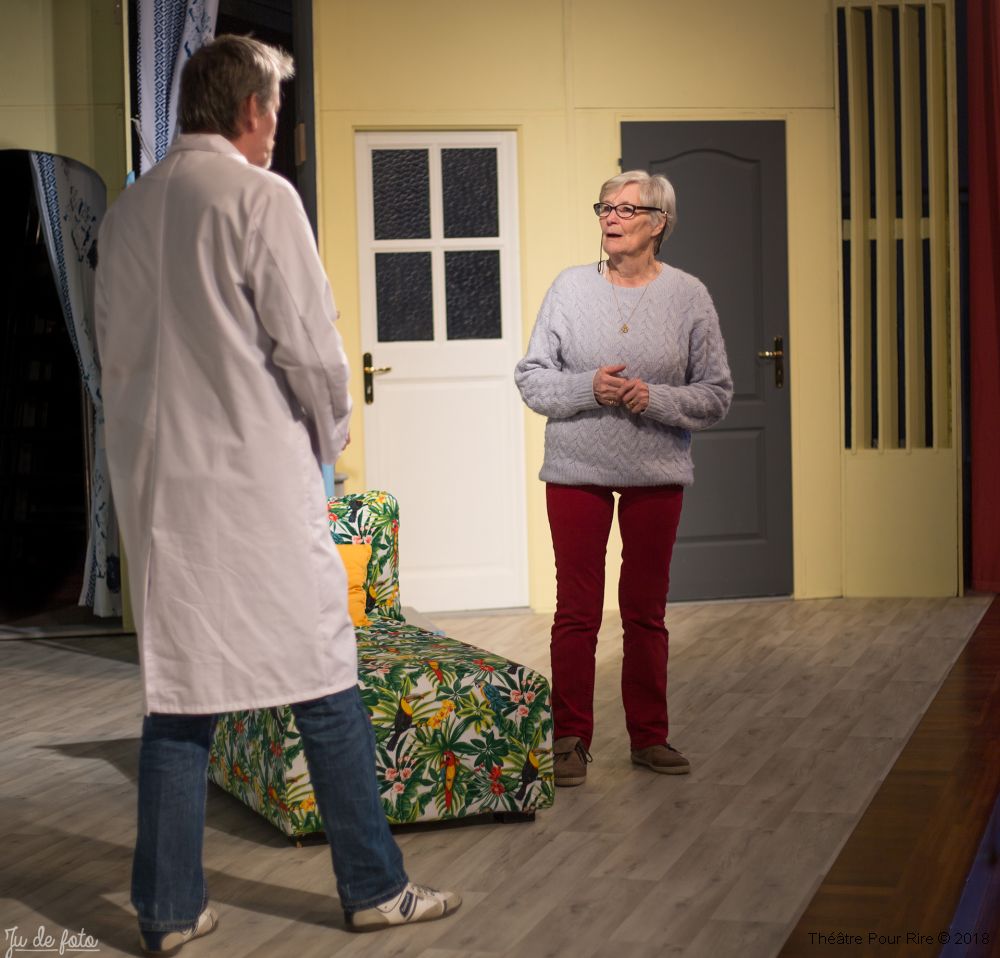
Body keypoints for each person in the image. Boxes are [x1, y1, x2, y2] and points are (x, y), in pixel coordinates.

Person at [94, 35, 460, 954]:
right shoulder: (260, 197)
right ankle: (374, 887)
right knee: (324, 681)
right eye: (275, 109)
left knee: (180, 698)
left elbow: (114, 359)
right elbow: (310, 346)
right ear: (252, 109)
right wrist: (332, 436)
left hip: (164, 495)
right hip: (254, 486)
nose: (275, 126)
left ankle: (169, 911)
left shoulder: (129, 212)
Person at [514, 170, 733, 787]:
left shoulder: (688, 295)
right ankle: (569, 739)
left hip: (655, 470)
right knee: (576, 611)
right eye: (605, 207)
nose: (610, 217)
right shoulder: (569, 287)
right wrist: (591, 387)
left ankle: (649, 737)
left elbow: (716, 394)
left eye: (625, 209)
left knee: (644, 610)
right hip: (576, 469)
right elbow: (532, 378)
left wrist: (653, 399)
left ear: (659, 223)